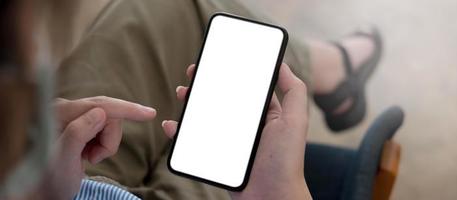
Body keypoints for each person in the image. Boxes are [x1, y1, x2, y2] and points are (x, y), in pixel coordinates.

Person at [1, 0, 383, 199]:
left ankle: (324, 67)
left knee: (169, 8)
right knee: (229, 119)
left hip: (66, 185)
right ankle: (330, 70)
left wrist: (34, 184)